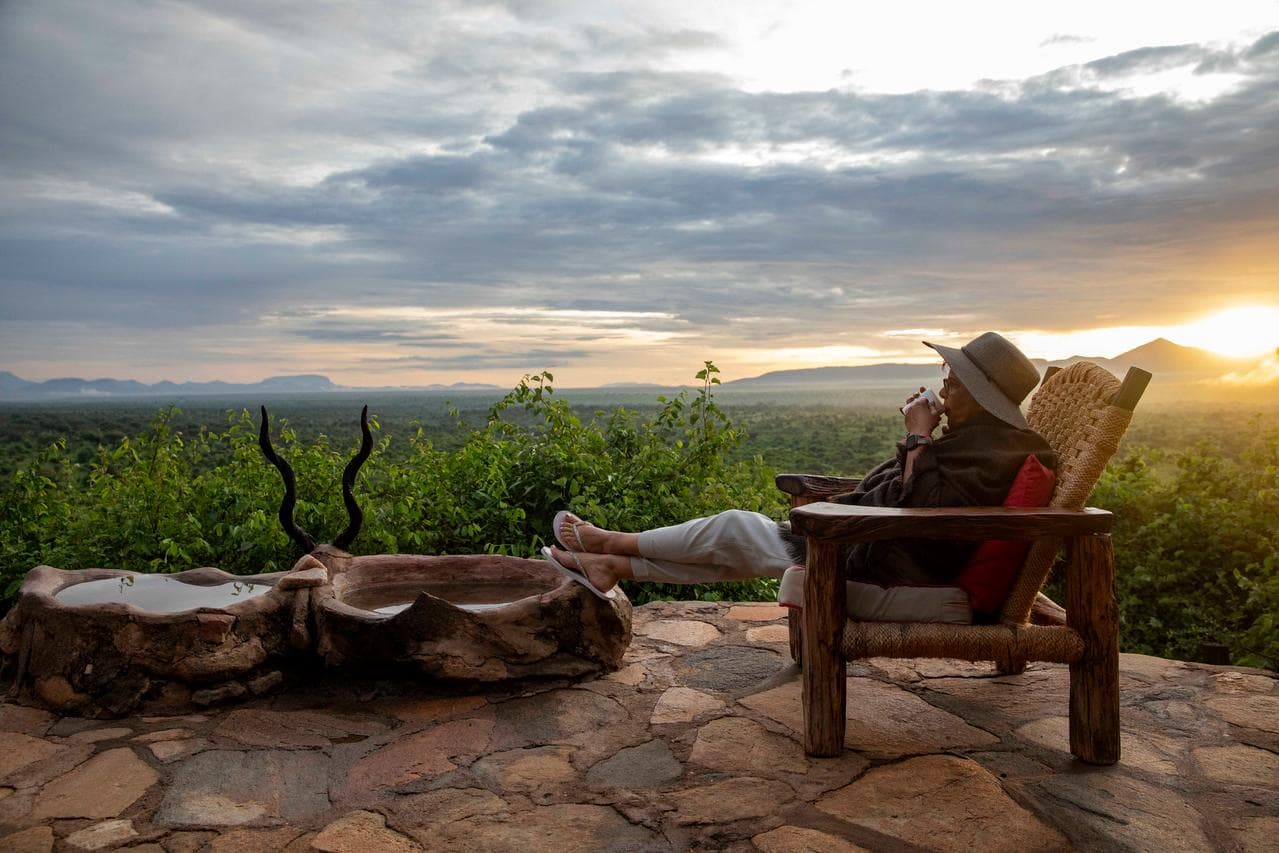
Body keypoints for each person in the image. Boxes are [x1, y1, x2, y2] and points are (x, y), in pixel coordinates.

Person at [541, 332, 1057, 614]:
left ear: (984, 399)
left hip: (898, 562)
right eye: (947, 378)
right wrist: (917, 444)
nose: (944, 391)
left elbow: (935, 511)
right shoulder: (978, 442)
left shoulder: (993, 451)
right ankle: (611, 565)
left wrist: (920, 436)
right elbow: (920, 494)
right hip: (880, 542)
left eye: (955, 383)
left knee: (734, 529)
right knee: (737, 541)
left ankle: (608, 542)